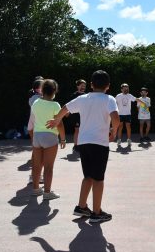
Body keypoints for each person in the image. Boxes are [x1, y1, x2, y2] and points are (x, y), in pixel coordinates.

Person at [47, 70, 119, 223]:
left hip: (84, 143)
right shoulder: (109, 99)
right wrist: (114, 131)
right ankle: (97, 212)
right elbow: (115, 118)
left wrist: (56, 120)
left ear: (91, 85)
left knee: (88, 176)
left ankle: (81, 207)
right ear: (108, 86)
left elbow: (66, 107)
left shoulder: (82, 98)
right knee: (98, 179)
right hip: (99, 143)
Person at [29, 79, 66, 200]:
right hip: (50, 136)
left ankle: (35, 189)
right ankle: (47, 192)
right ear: (54, 91)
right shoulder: (55, 105)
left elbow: (33, 120)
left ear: (43, 90)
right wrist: (63, 139)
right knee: (48, 167)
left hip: (37, 136)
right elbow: (59, 124)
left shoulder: (35, 103)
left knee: (36, 165)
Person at [28, 78, 44, 184]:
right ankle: (34, 176)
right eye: (43, 85)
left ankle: (36, 176)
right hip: (36, 127)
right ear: (37, 88)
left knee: (37, 152)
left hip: (36, 127)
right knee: (38, 152)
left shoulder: (37, 97)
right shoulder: (36, 98)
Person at [115, 83, 136, 149]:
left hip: (128, 114)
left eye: (127, 88)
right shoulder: (118, 96)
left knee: (128, 127)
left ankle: (129, 140)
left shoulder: (130, 95)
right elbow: (114, 103)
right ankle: (119, 140)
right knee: (120, 127)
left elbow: (136, 99)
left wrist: (143, 104)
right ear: (122, 89)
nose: (126, 89)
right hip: (120, 114)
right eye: (125, 88)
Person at [68, 79, 86, 152]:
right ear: (77, 86)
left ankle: (82, 144)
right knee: (77, 130)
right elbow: (70, 105)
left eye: (84, 86)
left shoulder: (86, 95)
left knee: (84, 131)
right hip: (76, 116)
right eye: (81, 86)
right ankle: (76, 145)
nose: (83, 87)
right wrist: (68, 112)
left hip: (84, 116)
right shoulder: (74, 95)